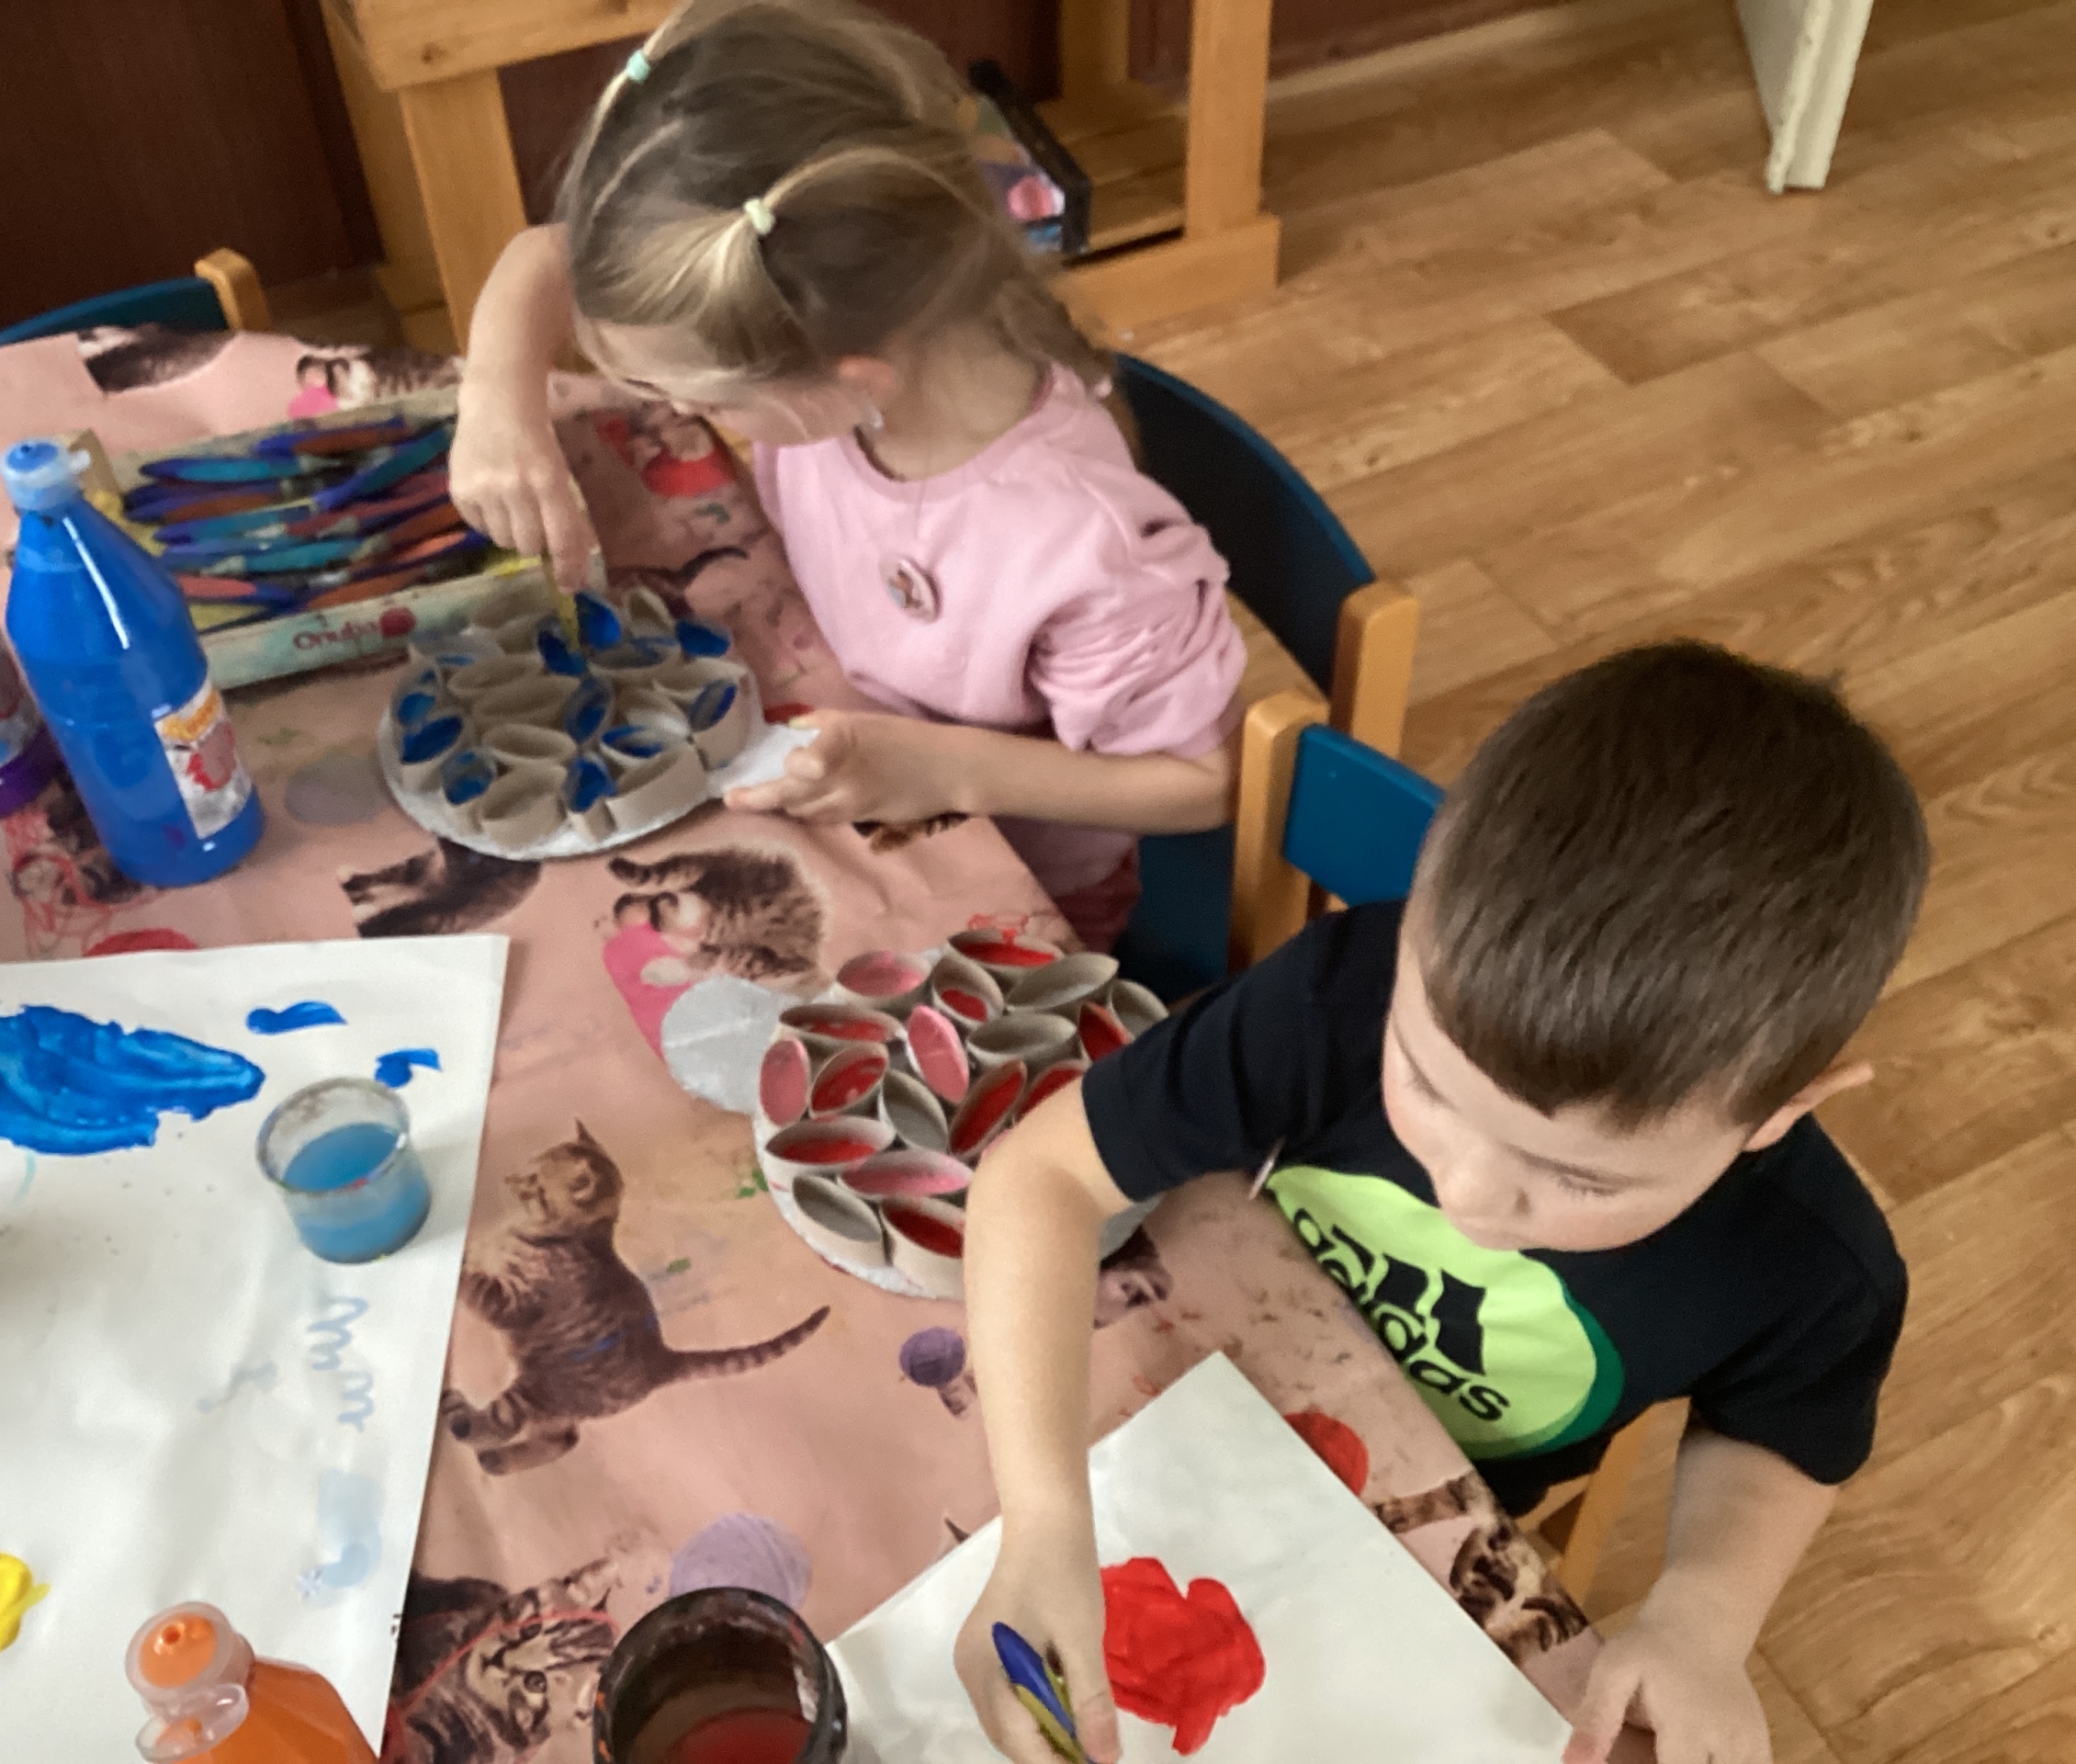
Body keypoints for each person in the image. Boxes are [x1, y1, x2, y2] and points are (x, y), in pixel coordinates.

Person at [954, 642, 1931, 1764]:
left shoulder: (1805, 1270)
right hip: (1187, 1391)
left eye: (1579, 1178)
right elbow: (1042, 1176)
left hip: (1422, 1526)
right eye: (1423, 1081)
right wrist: (1044, 1520)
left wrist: (1703, 1619)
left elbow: (1779, 1435)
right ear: (1416, 915)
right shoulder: (1338, 994)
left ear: (1779, 1110)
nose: (1468, 1195)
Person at [449, 0, 1246, 951]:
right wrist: (497, 402)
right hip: (846, 745)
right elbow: (547, 255)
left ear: (848, 380)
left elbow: (1207, 784)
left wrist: (941, 769)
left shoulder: (1074, 542)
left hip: (1018, 880)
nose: (672, 408)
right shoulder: (850, 329)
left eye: (696, 394)